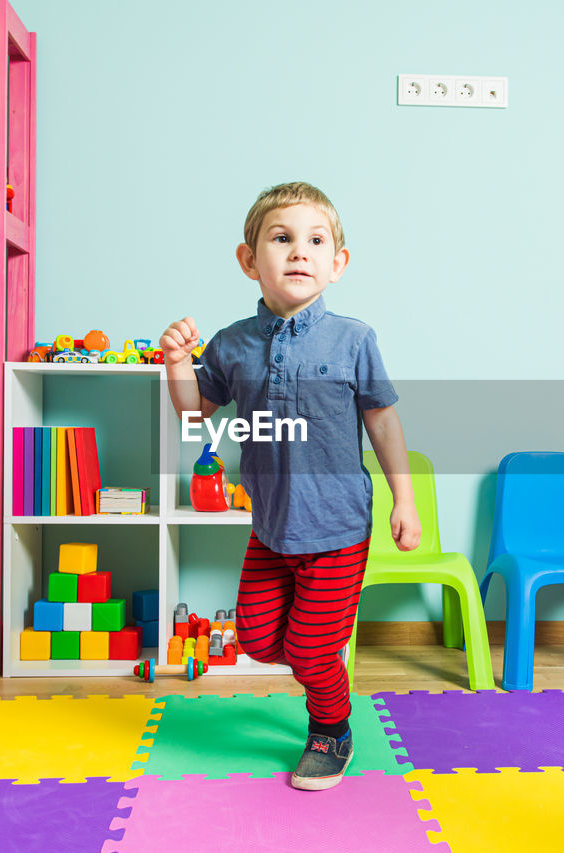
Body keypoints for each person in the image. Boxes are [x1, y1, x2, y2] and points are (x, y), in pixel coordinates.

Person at [159, 181, 421, 791]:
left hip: (337, 529)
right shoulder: (231, 344)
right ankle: (321, 665)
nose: (299, 252)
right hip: (271, 528)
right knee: (253, 635)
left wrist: (402, 499)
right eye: (282, 239)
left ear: (338, 263)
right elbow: (195, 414)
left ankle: (331, 726)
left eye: (315, 240)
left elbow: (383, 421)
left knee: (308, 650)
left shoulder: (354, 339)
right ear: (250, 260)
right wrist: (176, 365)